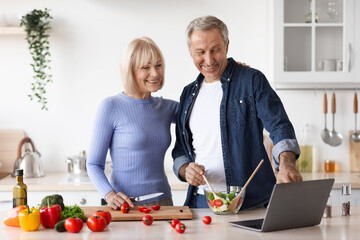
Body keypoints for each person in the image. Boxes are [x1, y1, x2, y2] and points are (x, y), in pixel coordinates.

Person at [172, 15, 302, 209]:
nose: (209, 59)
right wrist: (185, 170)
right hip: (201, 202)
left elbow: (279, 125)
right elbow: (181, 150)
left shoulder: (252, 80)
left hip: (250, 201)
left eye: (215, 49)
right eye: (200, 52)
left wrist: (286, 164)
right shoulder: (187, 93)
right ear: (191, 52)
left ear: (227, 45)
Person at [87, 37, 178, 210]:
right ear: (130, 71)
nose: (155, 73)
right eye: (146, 67)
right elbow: (93, 164)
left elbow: (204, 109)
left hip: (164, 203)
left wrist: (233, 73)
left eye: (158, 65)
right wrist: (109, 194)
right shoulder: (111, 106)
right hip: (125, 206)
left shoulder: (167, 107)